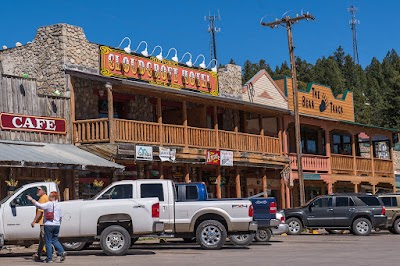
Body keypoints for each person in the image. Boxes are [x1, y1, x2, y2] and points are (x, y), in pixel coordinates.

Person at [27, 191, 66, 263]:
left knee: (48, 241)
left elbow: (39, 206)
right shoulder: (59, 205)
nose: (49, 197)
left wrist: (31, 199)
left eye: (50, 196)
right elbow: (60, 217)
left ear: (53, 197)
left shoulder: (49, 204)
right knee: (55, 240)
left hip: (49, 224)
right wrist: (58, 223)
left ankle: (49, 258)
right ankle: (62, 252)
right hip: (57, 225)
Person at [31, 186, 48, 262]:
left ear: (43, 191)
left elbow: (40, 212)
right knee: (42, 240)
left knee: (45, 238)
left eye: (39, 190)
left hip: (44, 222)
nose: (37, 191)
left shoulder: (42, 198)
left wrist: (34, 221)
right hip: (45, 222)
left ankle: (53, 254)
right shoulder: (45, 197)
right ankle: (38, 255)